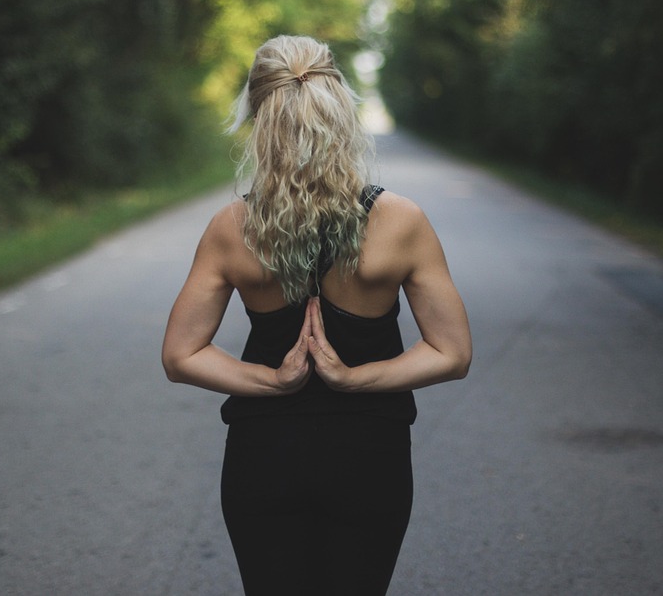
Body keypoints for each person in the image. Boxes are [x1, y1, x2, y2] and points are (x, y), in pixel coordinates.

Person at [162, 35, 471, 596]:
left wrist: (273, 380)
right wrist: (354, 379)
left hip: (263, 455)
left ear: (258, 117)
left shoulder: (233, 227)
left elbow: (181, 356)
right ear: (341, 111)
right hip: (369, 456)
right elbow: (452, 353)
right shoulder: (402, 221)